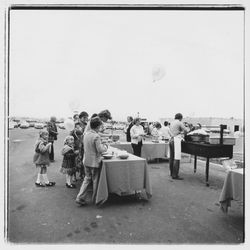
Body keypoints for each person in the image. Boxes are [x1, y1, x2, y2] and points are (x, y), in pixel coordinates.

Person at [75, 117, 108, 205]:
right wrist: (105, 146)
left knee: (87, 179)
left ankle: (80, 197)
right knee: (95, 180)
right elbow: (100, 150)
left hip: (86, 161)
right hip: (94, 162)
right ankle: (95, 198)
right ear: (97, 127)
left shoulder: (86, 134)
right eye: (100, 126)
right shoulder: (96, 136)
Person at [169, 113, 189, 180]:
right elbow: (186, 130)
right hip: (176, 140)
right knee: (176, 158)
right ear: (180, 118)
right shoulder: (180, 122)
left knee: (171, 157)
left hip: (171, 139)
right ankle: (175, 175)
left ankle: (171, 173)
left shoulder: (172, 122)